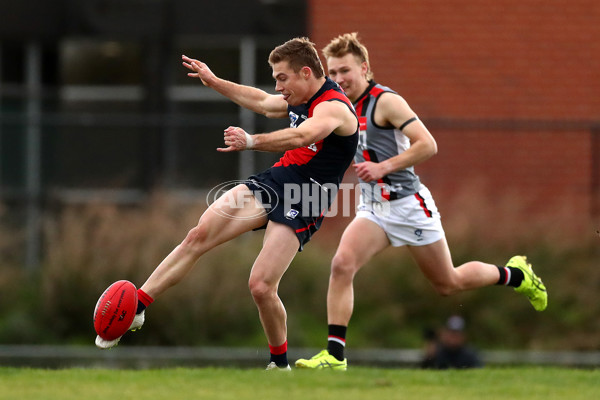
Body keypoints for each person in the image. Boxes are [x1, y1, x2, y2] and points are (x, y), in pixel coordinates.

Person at [94, 37, 359, 371]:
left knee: (261, 286)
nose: (278, 86)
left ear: (306, 73)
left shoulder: (332, 107)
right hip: (276, 180)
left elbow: (301, 137)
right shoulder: (299, 97)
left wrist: (251, 141)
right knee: (198, 234)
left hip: (305, 197)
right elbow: (262, 102)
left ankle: (279, 366)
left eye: (282, 78)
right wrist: (215, 81)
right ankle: (139, 305)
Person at [294, 33, 547, 371]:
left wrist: (383, 166)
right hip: (375, 207)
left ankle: (516, 275)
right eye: (334, 72)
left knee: (448, 283)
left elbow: (428, 144)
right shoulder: (335, 105)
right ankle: (335, 357)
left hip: (408, 205)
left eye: (345, 71)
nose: (339, 79)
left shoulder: (385, 101)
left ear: (364, 68)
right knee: (342, 264)